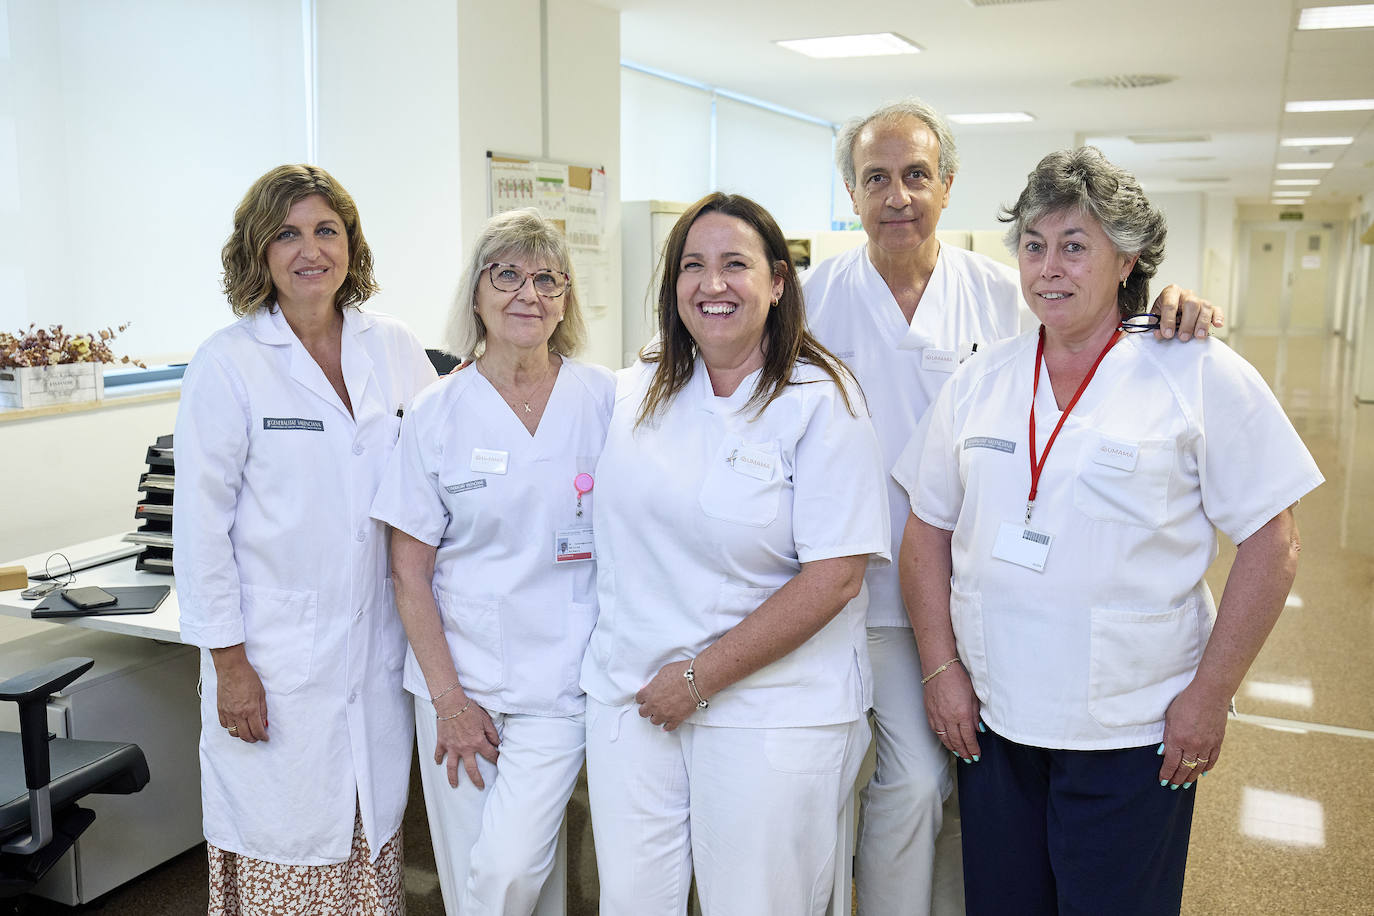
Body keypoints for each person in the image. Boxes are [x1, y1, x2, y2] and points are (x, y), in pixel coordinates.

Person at [802, 97, 1224, 916]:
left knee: (965, 795)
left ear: (948, 184)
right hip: (850, 589)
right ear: (851, 196)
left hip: (967, 598)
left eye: (916, 175)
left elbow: (1101, 320)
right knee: (914, 783)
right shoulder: (811, 301)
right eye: (875, 179)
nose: (897, 196)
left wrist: (1175, 303)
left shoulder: (1005, 290)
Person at [894, 146, 1323, 915]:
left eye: (1074, 245)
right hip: (996, 723)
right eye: (1033, 245)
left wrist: (1212, 692)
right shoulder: (982, 378)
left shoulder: (1194, 371)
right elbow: (925, 529)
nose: (1048, 267)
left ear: (1126, 259)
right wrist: (939, 669)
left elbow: (1274, 541)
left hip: (1133, 729)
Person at [581, 192, 890, 915]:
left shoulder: (823, 400)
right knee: (632, 902)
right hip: (633, 699)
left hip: (770, 710)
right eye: (692, 266)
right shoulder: (638, 390)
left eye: (734, 265)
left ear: (778, 282)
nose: (711, 284)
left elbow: (836, 578)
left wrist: (697, 679)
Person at [175, 164, 437, 913]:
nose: (310, 249)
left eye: (327, 230)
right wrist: (229, 664)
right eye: (287, 233)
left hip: (374, 649)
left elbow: (437, 465)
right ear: (258, 251)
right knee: (285, 846)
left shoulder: (392, 346)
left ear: (351, 245)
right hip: (273, 660)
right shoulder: (228, 362)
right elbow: (200, 529)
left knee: (368, 845)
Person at [370, 208, 613, 913]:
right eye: (506, 274)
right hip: (458, 684)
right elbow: (408, 571)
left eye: (547, 278)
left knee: (504, 874)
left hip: (562, 685)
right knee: (480, 875)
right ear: (476, 294)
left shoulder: (604, 399)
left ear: (566, 297)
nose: (526, 294)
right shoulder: (436, 413)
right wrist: (449, 701)